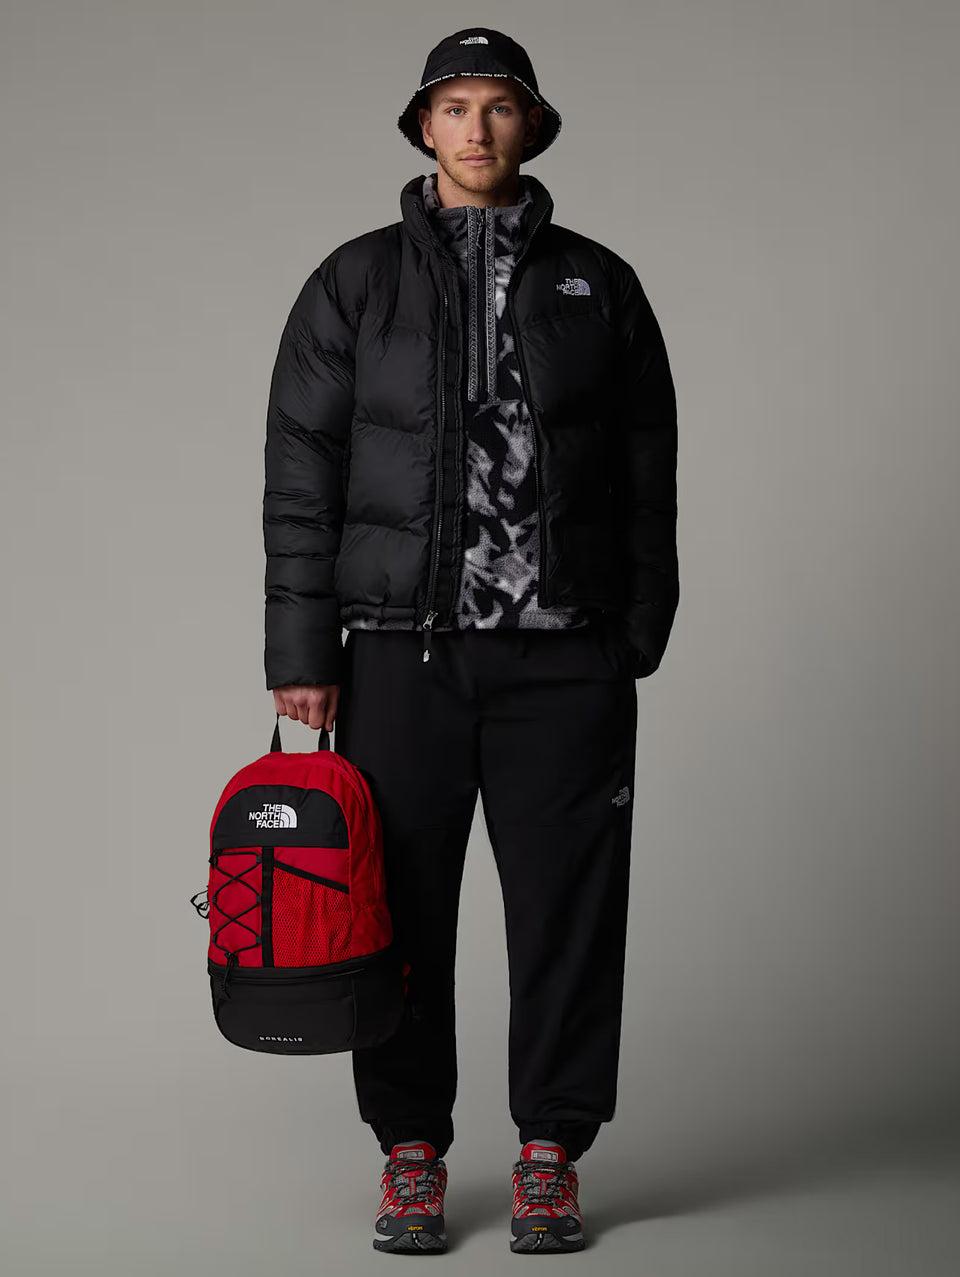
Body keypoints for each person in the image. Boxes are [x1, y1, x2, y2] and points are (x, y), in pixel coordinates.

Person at [262, 27, 678, 1256]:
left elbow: (648, 465)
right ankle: (411, 1152)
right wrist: (304, 650)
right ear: (423, 126)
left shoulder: (599, 282)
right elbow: (302, 472)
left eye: (500, 107)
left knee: (570, 910)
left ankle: (551, 1151)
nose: (478, 128)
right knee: (393, 912)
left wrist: (637, 624)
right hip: (401, 652)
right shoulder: (354, 282)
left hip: (567, 653)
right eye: (456, 106)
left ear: (531, 126)